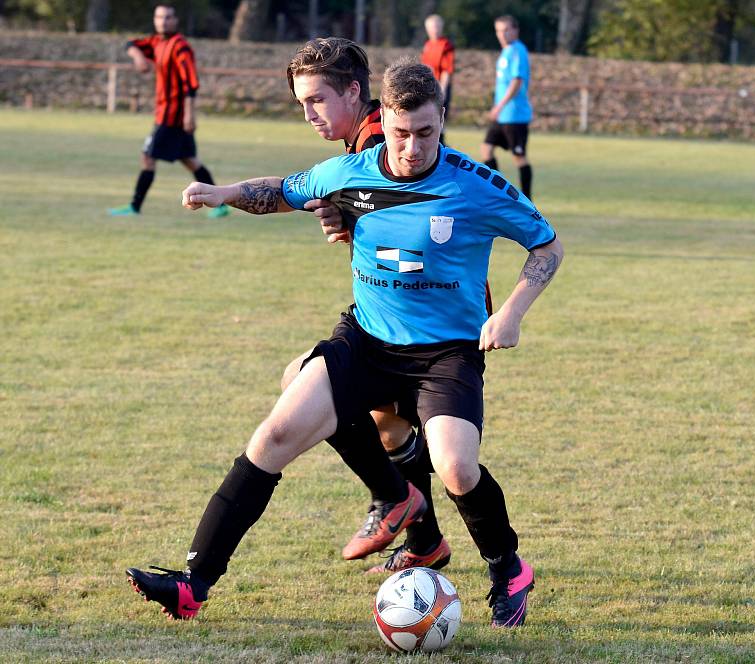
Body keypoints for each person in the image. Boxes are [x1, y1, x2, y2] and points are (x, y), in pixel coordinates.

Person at [126, 60, 563, 628]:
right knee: (277, 431)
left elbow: (547, 246)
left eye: (426, 133)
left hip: (446, 354)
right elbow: (281, 191)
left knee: (455, 469)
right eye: (401, 133)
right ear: (384, 118)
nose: (411, 147)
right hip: (366, 340)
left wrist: (510, 312)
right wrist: (221, 192)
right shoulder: (351, 172)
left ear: (442, 121)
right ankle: (193, 584)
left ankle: (507, 567)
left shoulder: (475, 184)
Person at [283, 38, 452, 574]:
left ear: (354, 92)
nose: (309, 115)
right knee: (387, 423)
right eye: (301, 103)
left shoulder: (381, 136)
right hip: (409, 307)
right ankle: (422, 536)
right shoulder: (363, 141)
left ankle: (415, 523)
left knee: (334, 395)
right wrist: (343, 220)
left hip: (425, 314)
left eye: (317, 100)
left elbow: (413, 216)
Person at [108, 4, 228, 218]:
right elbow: (131, 44)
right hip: (165, 113)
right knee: (190, 160)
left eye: (168, 17)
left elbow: (191, 83)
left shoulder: (180, 47)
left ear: (176, 20)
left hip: (173, 117)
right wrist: (138, 57)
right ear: (155, 20)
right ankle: (220, 205)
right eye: (159, 17)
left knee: (147, 157)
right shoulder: (156, 42)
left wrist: (190, 115)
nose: (163, 21)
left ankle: (135, 207)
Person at [481, 14, 534, 199]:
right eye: (498, 31)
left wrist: (500, 105)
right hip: (502, 115)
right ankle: (500, 193)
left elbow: (517, 81)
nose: (501, 34)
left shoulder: (518, 50)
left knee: (519, 157)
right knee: (486, 149)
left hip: (514, 115)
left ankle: (527, 199)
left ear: (515, 30)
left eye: (505, 30)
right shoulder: (505, 52)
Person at [420, 14, 455, 145]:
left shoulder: (446, 45)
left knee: (439, 121)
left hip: (440, 87)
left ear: (441, 27)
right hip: (428, 88)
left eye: (436, 26)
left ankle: (442, 149)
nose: (434, 30)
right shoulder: (428, 45)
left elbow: (447, 70)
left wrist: (443, 90)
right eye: (431, 27)